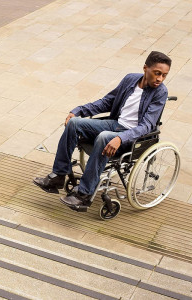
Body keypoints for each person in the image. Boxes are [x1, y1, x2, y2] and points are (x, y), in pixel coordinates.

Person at [33, 51, 172, 209]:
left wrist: (120, 138)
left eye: (164, 75)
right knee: (74, 123)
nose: (160, 79)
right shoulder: (130, 79)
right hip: (115, 124)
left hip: (132, 138)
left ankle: (84, 194)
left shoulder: (160, 92)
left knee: (104, 137)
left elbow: (146, 126)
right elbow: (107, 102)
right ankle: (58, 175)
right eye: (157, 73)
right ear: (145, 68)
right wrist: (78, 110)